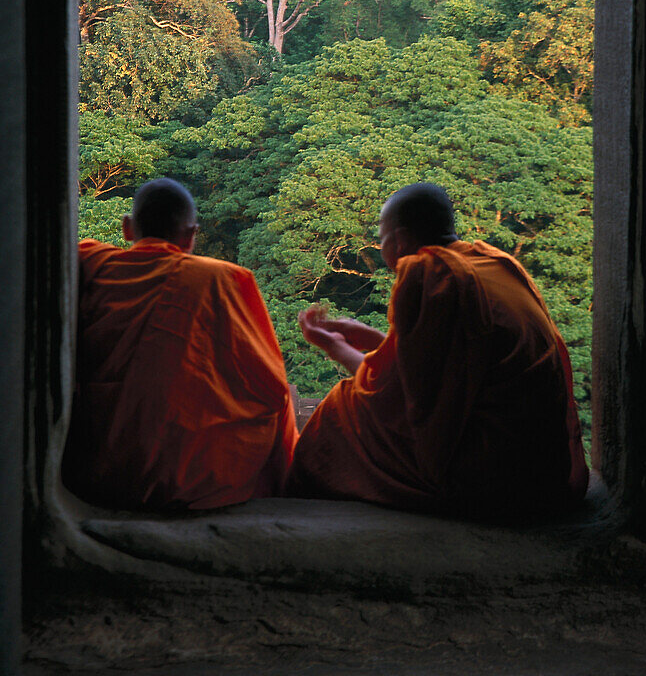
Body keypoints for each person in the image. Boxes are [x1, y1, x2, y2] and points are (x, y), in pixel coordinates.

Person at [287, 183, 589, 521]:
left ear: (399, 240)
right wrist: (372, 339)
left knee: (343, 407)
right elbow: (444, 359)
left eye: (381, 237)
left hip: (493, 479)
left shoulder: (428, 274)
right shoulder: (493, 260)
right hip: (544, 469)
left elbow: (392, 394)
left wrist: (336, 348)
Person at [63, 178, 298, 511]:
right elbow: (270, 386)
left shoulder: (92, 263)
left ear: (127, 228)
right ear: (191, 235)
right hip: (192, 480)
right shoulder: (222, 279)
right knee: (277, 394)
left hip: (99, 469)